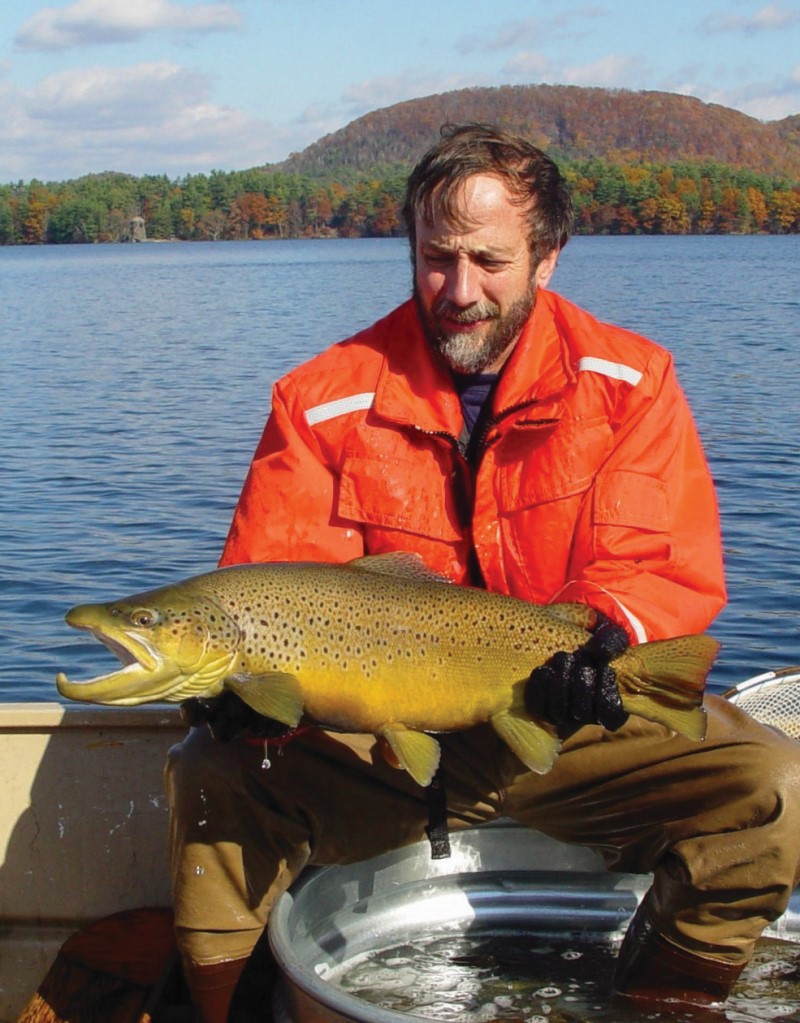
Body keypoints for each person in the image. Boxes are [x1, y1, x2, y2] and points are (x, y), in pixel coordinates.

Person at [165, 123, 800, 1022]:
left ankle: (662, 1004)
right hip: (378, 742)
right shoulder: (320, 398)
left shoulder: (632, 382)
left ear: (548, 257)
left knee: (775, 787)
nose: (460, 291)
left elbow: (662, 563)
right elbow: (270, 586)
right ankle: (223, 1007)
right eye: (436, 259)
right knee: (211, 771)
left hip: (565, 719)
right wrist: (244, 697)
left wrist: (608, 629)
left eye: (489, 261)